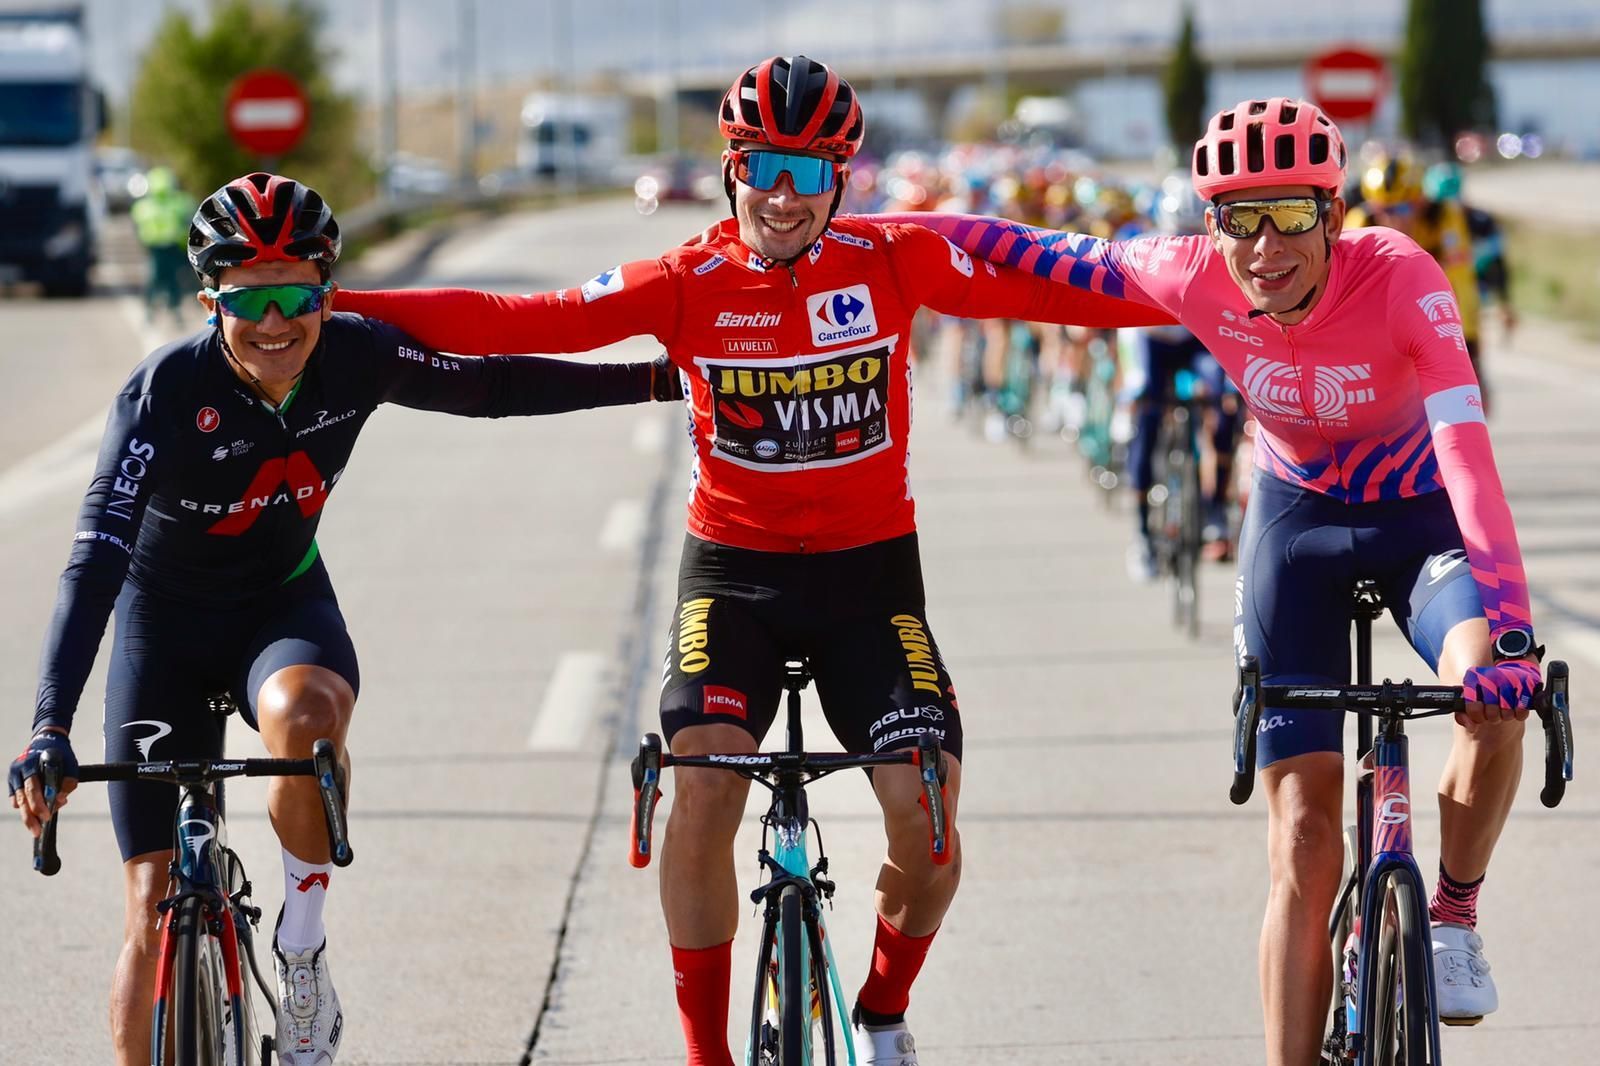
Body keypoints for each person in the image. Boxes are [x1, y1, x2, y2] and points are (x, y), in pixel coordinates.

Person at [334, 55, 1168, 1066]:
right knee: (702, 792)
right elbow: (522, 322)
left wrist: (1210, 306)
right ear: (730, 167)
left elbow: (1045, 300)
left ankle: (882, 1008)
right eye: (763, 165)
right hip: (733, 580)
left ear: (842, 182)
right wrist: (330, 303)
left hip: (869, 580)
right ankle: (705, 1052)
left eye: (809, 173)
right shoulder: (686, 282)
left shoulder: (892, 261)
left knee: (929, 823)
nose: (782, 194)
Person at [888, 97, 1544, 1065]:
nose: (1263, 243)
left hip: (1420, 525)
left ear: (1331, 213)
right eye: (1238, 216)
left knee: (1495, 690)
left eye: (1285, 211)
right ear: (1210, 225)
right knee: (1305, 841)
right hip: (1297, 530)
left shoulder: (1401, 275)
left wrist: (1517, 631)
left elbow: (1466, 450)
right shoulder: (1191, 275)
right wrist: (874, 233)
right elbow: (1030, 257)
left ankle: (1450, 913)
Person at [7, 172, 678, 1066]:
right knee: (149, 904)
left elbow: (489, 387)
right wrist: (50, 723)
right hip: (158, 629)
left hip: (279, 609)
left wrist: (656, 380)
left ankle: (305, 952)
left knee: (307, 718)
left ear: (328, 291)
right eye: (250, 299)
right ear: (210, 299)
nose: (276, 322)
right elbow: (95, 563)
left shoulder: (355, 354)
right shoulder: (161, 393)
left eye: (298, 295)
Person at [1122, 172, 1241, 580]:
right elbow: (1120, 320)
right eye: (1180, 236)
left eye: (1197, 237)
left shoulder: (1224, 252)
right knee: (1148, 417)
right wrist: (1131, 385)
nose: (1188, 247)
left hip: (1197, 343)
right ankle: (1142, 533)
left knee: (1227, 407)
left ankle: (1214, 509)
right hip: (1154, 340)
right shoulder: (1143, 249)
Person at [1347, 152, 1493, 411]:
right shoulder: (1361, 220)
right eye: (1385, 210)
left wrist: (1468, 344)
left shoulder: (1443, 216)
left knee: (1461, 403)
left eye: (1404, 208)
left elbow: (1458, 280)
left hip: (1439, 309)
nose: (1394, 219)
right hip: (1385, 323)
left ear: (1421, 202)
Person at [129, 166, 197, 325]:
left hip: (169, 247)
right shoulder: (179, 201)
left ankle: (168, 310)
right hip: (160, 248)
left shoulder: (146, 205)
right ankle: (155, 311)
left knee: (165, 280)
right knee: (158, 279)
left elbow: (137, 227)